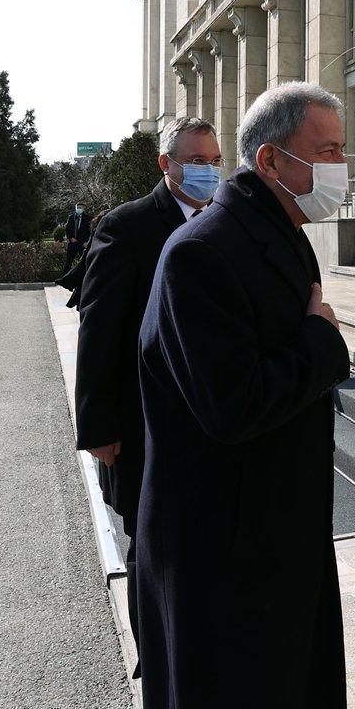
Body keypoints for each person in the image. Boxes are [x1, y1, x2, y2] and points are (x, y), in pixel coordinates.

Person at [136, 82, 351, 709]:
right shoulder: (202, 252)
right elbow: (232, 404)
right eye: (328, 151)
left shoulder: (275, 234)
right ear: (271, 160)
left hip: (264, 542)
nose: (340, 165)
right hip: (222, 558)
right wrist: (323, 344)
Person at [75, 116, 221, 671]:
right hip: (140, 426)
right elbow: (99, 330)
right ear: (167, 164)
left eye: (213, 161)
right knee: (150, 545)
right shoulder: (128, 226)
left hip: (203, 422)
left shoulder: (220, 223)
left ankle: (195, 652)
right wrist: (100, 429)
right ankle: (153, 658)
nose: (206, 171)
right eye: (195, 160)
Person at [63, 203, 92, 273]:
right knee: (68, 261)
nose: (79, 209)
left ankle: (85, 278)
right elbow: (67, 229)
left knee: (84, 261)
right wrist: (70, 238)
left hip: (83, 243)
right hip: (73, 243)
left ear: (84, 209)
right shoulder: (71, 217)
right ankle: (64, 279)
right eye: (77, 207)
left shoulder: (88, 218)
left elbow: (91, 231)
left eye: (80, 208)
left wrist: (87, 242)